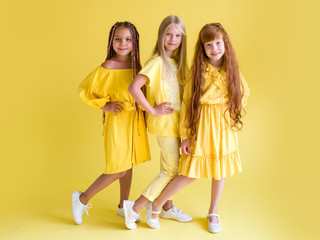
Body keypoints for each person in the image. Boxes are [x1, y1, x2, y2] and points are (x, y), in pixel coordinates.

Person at [144, 23, 250, 233]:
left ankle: (213, 211)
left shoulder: (232, 69)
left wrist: (232, 107)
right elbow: (186, 104)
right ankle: (156, 203)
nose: (215, 49)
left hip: (223, 126)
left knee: (219, 171)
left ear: (225, 44)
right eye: (209, 45)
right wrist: (185, 136)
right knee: (190, 173)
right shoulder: (198, 71)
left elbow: (244, 92)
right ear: (202, 48)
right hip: (202, 126)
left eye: (218, 43)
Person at [72, 21, 150, 225]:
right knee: (118, 168)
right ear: (111, 42)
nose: (123, 43)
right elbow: (84, 90)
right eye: (118, 39)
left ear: (135, 42)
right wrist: (105, 106)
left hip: (133, 122)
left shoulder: (136, 67)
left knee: (128, 164)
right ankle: (81, 198)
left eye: (128, 39)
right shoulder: (107, 67)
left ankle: (123, 205)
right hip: (117, 122)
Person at [123, 15, 192, 230]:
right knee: (172, 170)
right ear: (161, 36)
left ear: (183, 38)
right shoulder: (156, 62)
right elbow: (134, 88)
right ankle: (135, 207)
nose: (172, 39)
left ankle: (166, 207)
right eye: (168, 34)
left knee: (169, 167)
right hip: (164, 125)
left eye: (177, 35)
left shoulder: (179, 64)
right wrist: (153, 110)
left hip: (178, 125)